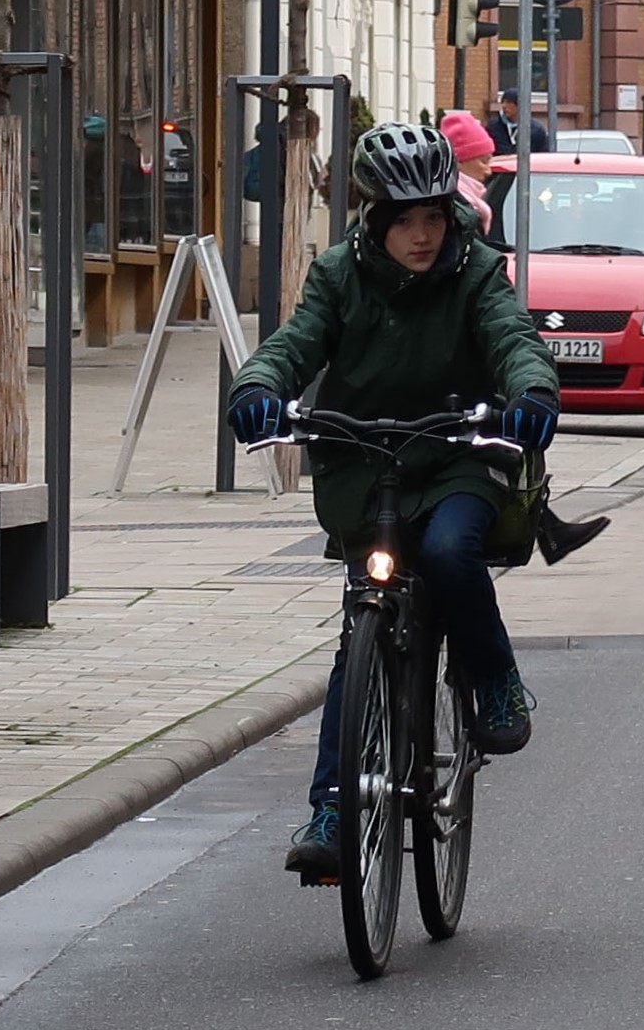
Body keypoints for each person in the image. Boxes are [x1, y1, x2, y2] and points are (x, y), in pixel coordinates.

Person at [224, 122, 564, 880]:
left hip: (459, 457)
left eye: (434, 218)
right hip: (364, 462)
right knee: (360, 632)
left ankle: (495, 680)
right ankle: (333, 810)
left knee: (447, 552)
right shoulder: (339, 274)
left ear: (452, 215)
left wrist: (531, 390)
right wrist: (259, 387)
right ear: (375, 220)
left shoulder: (476, 271)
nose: (422, 234)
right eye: (405, 220)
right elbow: (297, 342)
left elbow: (512, 336)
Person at [440, 107, 611, 566]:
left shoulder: (470, 199)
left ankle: (547, 527)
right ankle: (547, 529)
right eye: (480, 156)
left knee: (520, 421)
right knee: (509, 437)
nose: (490, 162)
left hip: (479, 344)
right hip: (463, 354)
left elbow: (508, 326)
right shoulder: (459, 209)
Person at [489, 89, 551, 155]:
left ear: (519, 105)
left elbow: (543, 155)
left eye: (508, 102)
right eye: (503, 102)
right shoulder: (493, 127)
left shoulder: (536, 130)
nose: (504, 106)